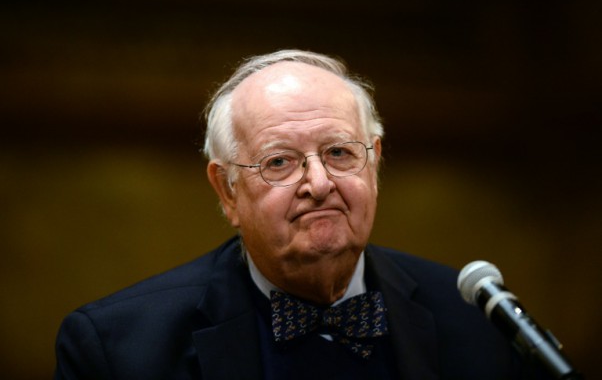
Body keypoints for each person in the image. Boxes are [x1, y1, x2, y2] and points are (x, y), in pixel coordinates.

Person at [54, 50, 543, 379]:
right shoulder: (117, 351)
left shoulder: (479, 323)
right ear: (227, 191)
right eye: (279, 162)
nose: (319, 183)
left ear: (374, 162)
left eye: (338, 152)